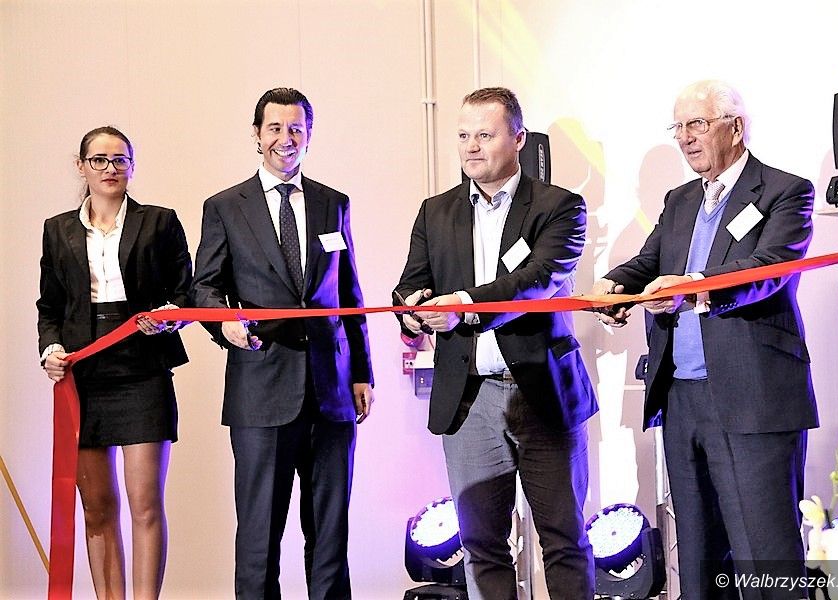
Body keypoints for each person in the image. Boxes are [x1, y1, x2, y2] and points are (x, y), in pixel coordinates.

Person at [594, 80, 817, 599]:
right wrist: (614, 285)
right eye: (678, 127)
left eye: (696, 124)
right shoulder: (679, 200)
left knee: (766, 558)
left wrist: (690, 287)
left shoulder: (786, 191)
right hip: (682, 398)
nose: (685, 138)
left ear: (735, 128)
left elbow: (769, 268)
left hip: (754, 397)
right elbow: (650, 262)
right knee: (698, 558)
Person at [394, 87, 597, 600]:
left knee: (564, 540)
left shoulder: (560, 207)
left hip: (543, 393)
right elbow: (410, 286)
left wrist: (463, 304)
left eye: (484, 135)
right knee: (481, 546)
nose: (471, 147)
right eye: (464, 135)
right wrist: (414, 313)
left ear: (519, 139)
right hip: (468, 399)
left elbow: (536, 281)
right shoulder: (434, 212)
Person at [190, 87, 374, 599]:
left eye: (296, 128)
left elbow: (349, 293)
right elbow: (204, 287)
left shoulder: (334, 203)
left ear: (309, 135)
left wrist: (362, 372)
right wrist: (224, 323)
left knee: (330, 538)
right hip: (260, 390)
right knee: (258, 540)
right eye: (275, 128)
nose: (285, 139)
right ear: (257, 134)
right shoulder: (225, 207)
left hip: (331, 392)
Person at [37, 126, 192, 599]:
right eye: (99, 160)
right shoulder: (57, 229)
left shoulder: (159, 221)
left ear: (132, 165)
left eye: (120, 160)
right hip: (84, 374)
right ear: (81, 166)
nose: (110, 168)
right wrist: (50, 350)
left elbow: (185, 296)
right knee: (97, 508)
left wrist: (168, 318)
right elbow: (50, 307)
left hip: (143, 372)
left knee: (145, 504)